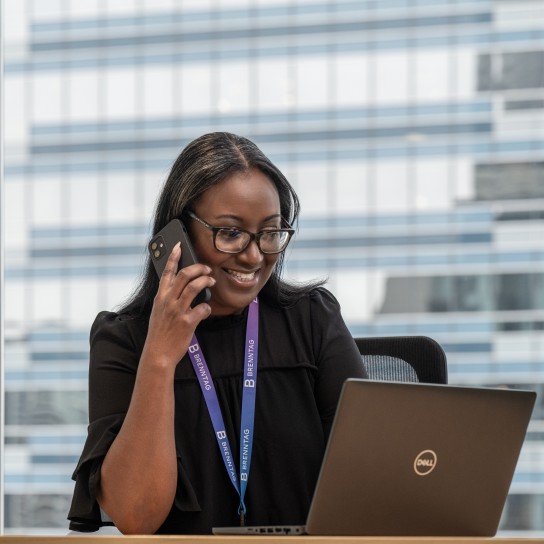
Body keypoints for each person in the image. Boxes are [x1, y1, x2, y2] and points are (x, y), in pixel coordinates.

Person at [67, 132, 367, 535]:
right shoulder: (124, 341)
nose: (254, 255)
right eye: (230, 233)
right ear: (178, 236)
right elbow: (135, 516)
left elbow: (371, 476)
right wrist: (159, 357)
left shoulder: (313, 320)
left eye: (271, 232)